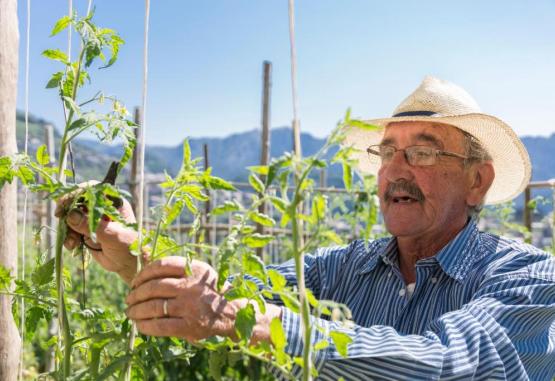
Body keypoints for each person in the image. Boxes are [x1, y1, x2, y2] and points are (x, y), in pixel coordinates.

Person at [59, 76, 555, 380]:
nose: (396, 170)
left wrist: (238, 320)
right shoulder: (342, 268)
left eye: (422, 152)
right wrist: (134, 253)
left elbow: (453, 366)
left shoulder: (527, 278)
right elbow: (225, 293)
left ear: (478, 181)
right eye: (387, 152)